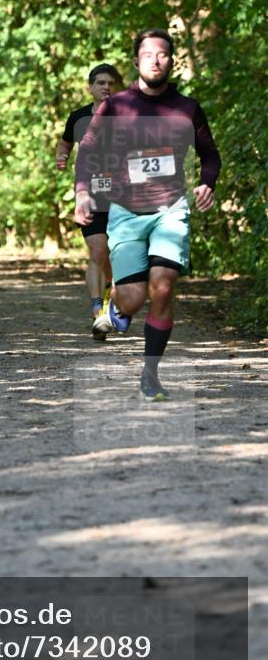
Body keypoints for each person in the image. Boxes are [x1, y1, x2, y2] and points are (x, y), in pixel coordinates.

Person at [75, 29, 221, 399]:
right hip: (126, 212)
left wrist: (208, 183)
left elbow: (210, 155)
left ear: (172, 60)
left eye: (162, 54)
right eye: (147, 54)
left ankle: (150, 373)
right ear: (136, 61)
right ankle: (116, 303)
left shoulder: (187, 108)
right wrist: (82, 193)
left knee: (163, 285)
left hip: (170, 208)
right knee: (133, 298)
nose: (155, 60)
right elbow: (88, 154)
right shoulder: (117, 105)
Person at [56, 63, 121, 338]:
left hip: (123, 196)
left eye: (111, 83)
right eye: (100, 83)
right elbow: (65, 143)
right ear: (90, 87)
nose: (106, 87)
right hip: (90, 194)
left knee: (116, 256)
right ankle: (99, 312)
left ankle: (111, 304)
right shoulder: (78, 117)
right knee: (97, 252)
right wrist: (62, 157)